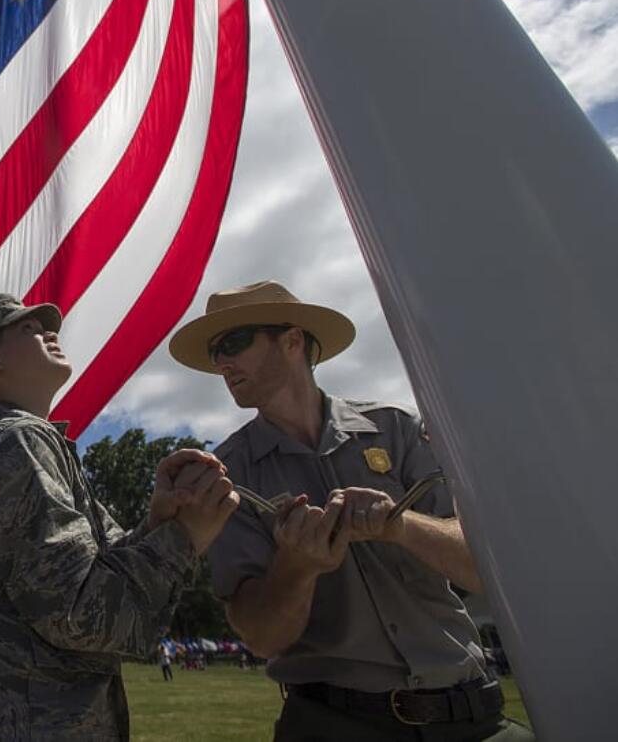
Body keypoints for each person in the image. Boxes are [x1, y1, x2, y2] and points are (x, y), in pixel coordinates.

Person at [170, 280, 536, 741]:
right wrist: (297, 567)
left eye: (234, 343)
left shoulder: (396, 428)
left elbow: (486, 572)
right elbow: (262, 637)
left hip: (473, 716)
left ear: (292, 340)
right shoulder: (229, 476)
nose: (221, 362)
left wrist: (400, 527)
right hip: (336, 724)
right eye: (215, 352)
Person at [0, 294, 239, 741]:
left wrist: (160, 521)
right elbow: (76, 612)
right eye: (27, 329)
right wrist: (183, 538)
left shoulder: (34, 442)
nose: (49, 333)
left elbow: (91, 572)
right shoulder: (18, 441)